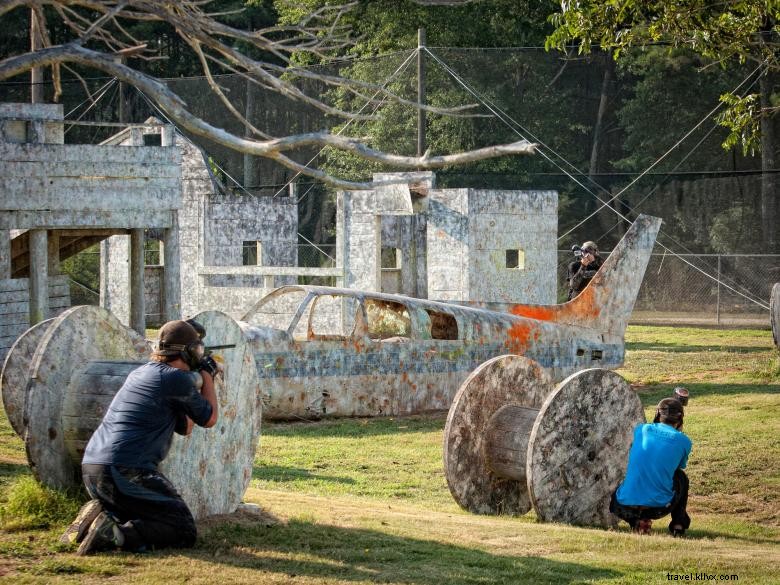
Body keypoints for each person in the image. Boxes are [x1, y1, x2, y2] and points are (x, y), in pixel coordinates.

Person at [60, 320, 219, 555]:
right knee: (182, 527)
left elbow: (186, 427)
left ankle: (99, 516)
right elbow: (210, 419)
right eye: (197, 351)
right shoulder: (176, 380)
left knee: (148, 513)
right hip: (126, 470)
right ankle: (117, 535)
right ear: (188, 352)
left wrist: (194, 389)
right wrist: (208, 376)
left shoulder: (144, 373)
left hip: (93, 469)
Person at [610, 398, 692, 536]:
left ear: (658, 414)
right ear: (680, 419)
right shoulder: (684, 441)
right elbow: (678, 466)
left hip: (622, 506)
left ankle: (636, 521)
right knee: (681, 477)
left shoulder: (642, 429)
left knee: (625, 486)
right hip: (658, 507)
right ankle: (678, 525)